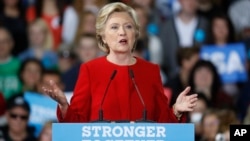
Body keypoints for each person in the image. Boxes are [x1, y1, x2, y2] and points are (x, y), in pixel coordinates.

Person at [42, 2, 197, 123]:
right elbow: (77, 124)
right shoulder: (90, 70)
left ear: (135, 34)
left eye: (128, 26)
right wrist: (64, 107)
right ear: (103, 36)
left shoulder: (150, 71)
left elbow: (162, 124)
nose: (122, 32)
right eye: (114, 27)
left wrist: (176, 110)